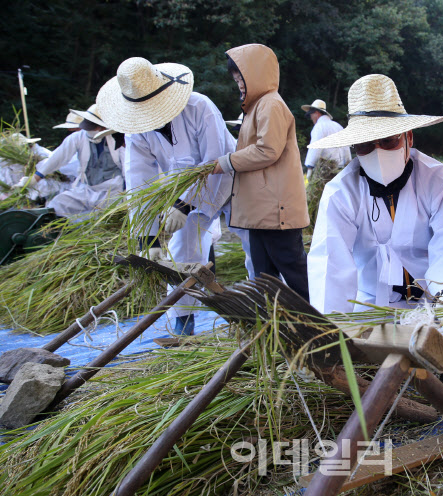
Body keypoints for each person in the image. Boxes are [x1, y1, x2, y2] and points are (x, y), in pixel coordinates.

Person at [306, 74, 443, 386]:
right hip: (372, 301)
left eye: (388, 141)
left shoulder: (440, 181)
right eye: (364, 145)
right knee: (355, 338)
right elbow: (329, 262)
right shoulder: (340, 192)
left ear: (408, 137)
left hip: (431, 298)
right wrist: (329, 332)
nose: (377, 152)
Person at [97, 56, 252, 335]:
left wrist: (183, 205)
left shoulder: (199, 107)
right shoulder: (137, 130)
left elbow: (214, 160)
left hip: (233, 183)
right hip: (187, 196)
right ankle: (184, 324)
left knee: (253, 244)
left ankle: (266, 311)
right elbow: (139, 186)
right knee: (183, 253)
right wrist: (148, 237)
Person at [212, 44, 310, 301]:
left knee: (293, 272)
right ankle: (272, 329)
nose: (239, 85)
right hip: (261, 210)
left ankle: (318, 326)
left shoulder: (270, 105)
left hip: (275, 209)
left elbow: (268, 150)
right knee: (263, 277)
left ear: (256, 74)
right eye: (236, 81)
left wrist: (226, 162)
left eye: (241, 78)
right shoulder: (256, 106)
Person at [18, 104, 125, 218]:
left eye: (93, 127)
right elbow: (57, 158)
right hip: (87, 189)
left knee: (102, 217)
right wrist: (35, 178)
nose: (89, 130)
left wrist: (127, 191)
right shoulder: (78, 137)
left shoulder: (117, 140)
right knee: (58, 203)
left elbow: (127, 166)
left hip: (113, 191)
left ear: (103, 127)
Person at [301, 99, 351, 179]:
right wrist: (348, 165)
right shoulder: (338, 126)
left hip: (326, 173)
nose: (311, 117)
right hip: (340, 172)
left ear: (316, 113)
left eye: (311, 114)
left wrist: (310, 167)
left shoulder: (319, 127)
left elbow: (315, 149)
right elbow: (346, 149)